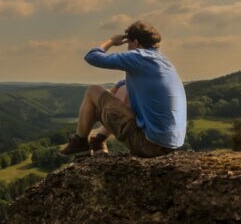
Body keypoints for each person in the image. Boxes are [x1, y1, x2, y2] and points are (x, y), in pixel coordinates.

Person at [62, 20, 187, 158]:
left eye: (128, 43)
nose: (127, 47)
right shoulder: (162, 61)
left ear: (136, 43)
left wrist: (111, 41)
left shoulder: (139, 56)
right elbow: (129, 83)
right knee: (124, 88)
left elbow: (92, 57)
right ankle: (99, 139)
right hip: (168, 145)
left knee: (93, 90)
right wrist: (115, 89)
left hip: (148, 145)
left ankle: (80, 143)